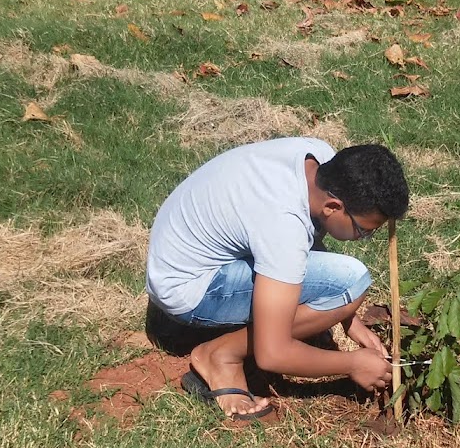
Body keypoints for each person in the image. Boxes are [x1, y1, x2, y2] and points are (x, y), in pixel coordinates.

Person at [145, 136, 410, 421]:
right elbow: (272, 353)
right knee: (351, 280)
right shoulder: (282, 223)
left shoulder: (318, 159)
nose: (363, 238)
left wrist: (347, 318)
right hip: (190, 290)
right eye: (364, 230)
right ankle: (220, 356)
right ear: (333, 206)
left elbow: (302, 239)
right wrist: (352, 363)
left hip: (183, 257)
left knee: (343, 286)